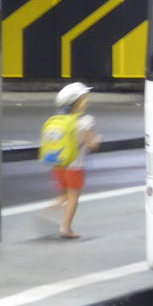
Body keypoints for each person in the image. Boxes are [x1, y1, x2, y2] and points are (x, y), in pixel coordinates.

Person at [49, 82, 102, 240]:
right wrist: (98, 140)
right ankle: (66, 227)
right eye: (85, 98)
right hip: (74, 167)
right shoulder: (85, 121)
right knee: (73, 199)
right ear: (78, 102)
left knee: (64, 195)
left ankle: (48, 213)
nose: (87, 101)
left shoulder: (58, 120)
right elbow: (90, 144)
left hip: (58, 165)